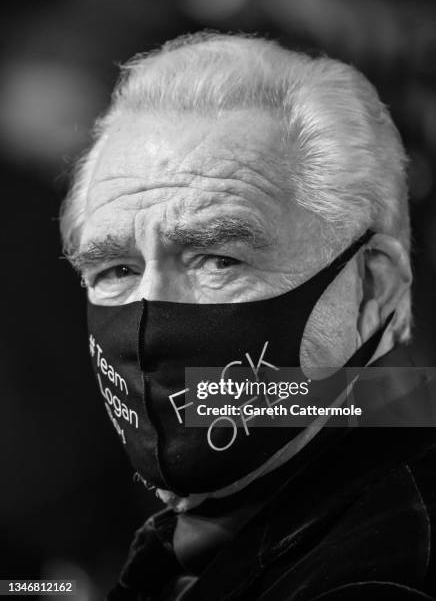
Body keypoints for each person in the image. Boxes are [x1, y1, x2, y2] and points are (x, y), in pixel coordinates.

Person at [60, 32, 436, 600]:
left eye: (218, 259)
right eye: (116, 271)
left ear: (371, 287)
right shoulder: (212, 533)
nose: (148, 319)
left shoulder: (383, 570)